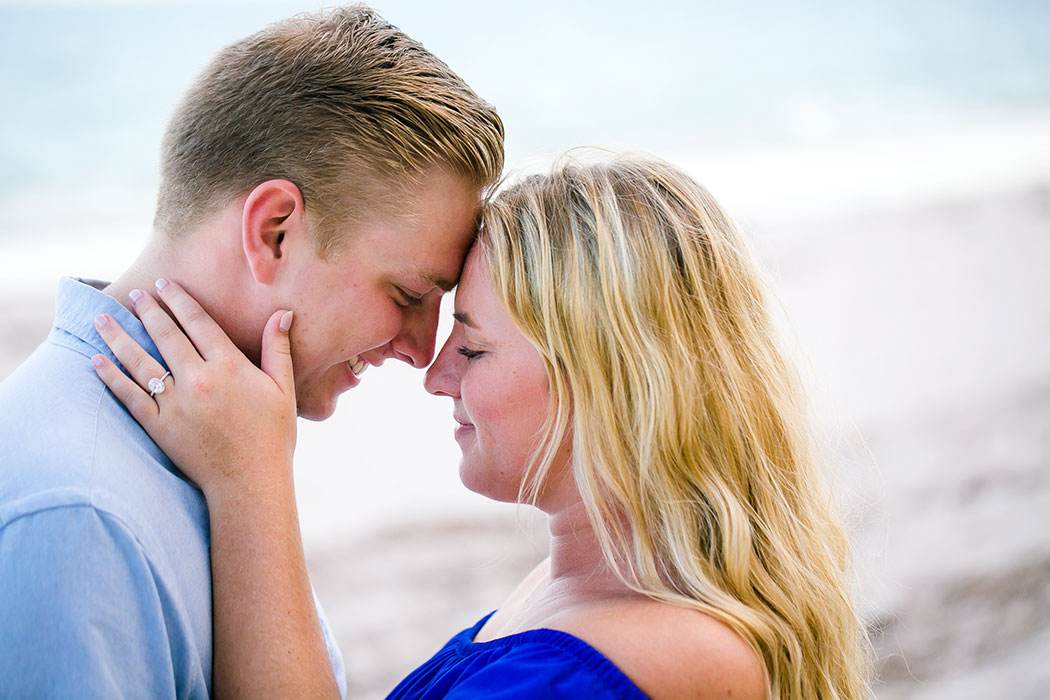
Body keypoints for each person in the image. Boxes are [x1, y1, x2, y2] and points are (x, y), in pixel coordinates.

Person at [93, 152, 871, 698]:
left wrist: (249, 481)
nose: (436, 376)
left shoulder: (652, 658)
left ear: (605, 378)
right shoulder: (582, 587)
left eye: (472, 345)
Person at [0, 5, 503, 697]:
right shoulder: (81, 518)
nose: (423, 353)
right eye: (410, 294)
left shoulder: (216, 444)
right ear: (274, 231)